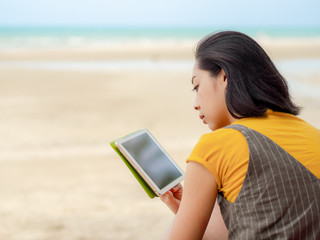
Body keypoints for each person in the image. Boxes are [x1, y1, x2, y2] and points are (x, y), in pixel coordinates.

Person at [160, 31, 320, 240]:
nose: (196, 103)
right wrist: (189, 215)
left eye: (197, 86)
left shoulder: (219, 145)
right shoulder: (311, 134)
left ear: (224, 76)